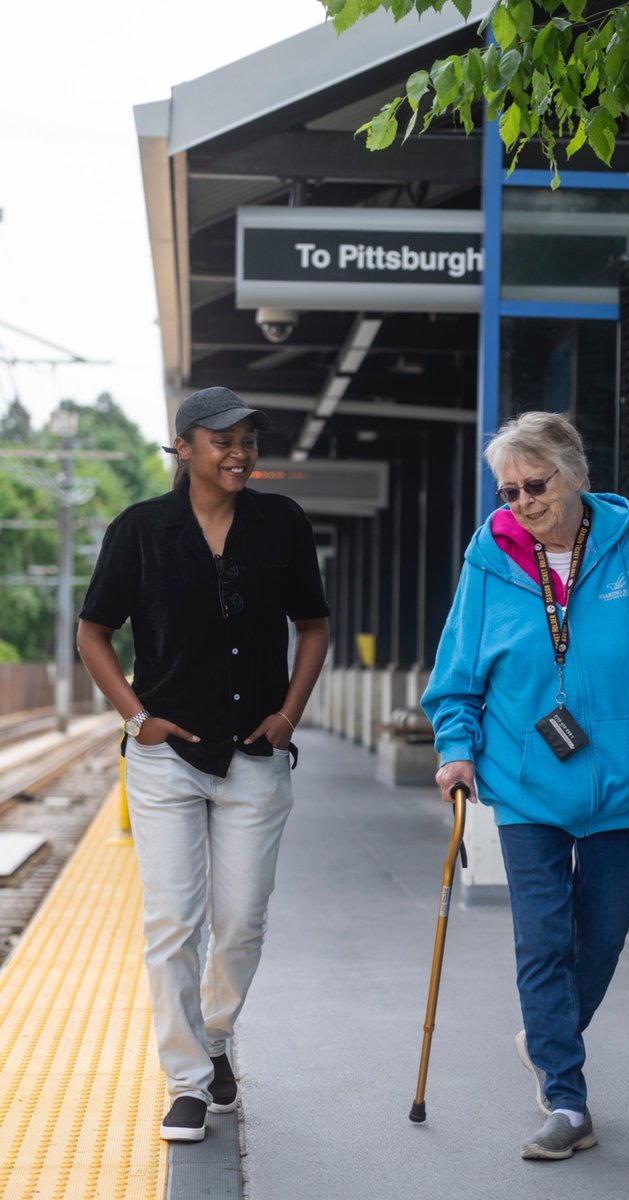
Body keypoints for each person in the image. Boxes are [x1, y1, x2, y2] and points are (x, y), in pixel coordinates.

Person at [422, 411, 629, 1161]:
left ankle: (546, 1036)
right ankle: (564, 1096)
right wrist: (456, 748)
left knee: (604, 934)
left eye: (534, 485)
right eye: (507, 489)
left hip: (621, 783)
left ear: (575, 475)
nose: (519, 502)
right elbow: (455, 671)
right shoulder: (490, 554)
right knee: (542, 938)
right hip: (522, 781)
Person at [77, 387, 330, 1143]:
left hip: (255, 753)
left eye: (248, 439)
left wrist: (288, 717)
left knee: (242, 921)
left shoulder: (281, 525)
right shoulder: (139, 531)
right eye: (221, 440)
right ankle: (188, 1081)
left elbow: (312, 628)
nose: (239, 453)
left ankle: (213, 1033)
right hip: (165, 759)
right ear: (182, 448)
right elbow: (94, 632)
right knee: (171, 924)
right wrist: (136, 719)